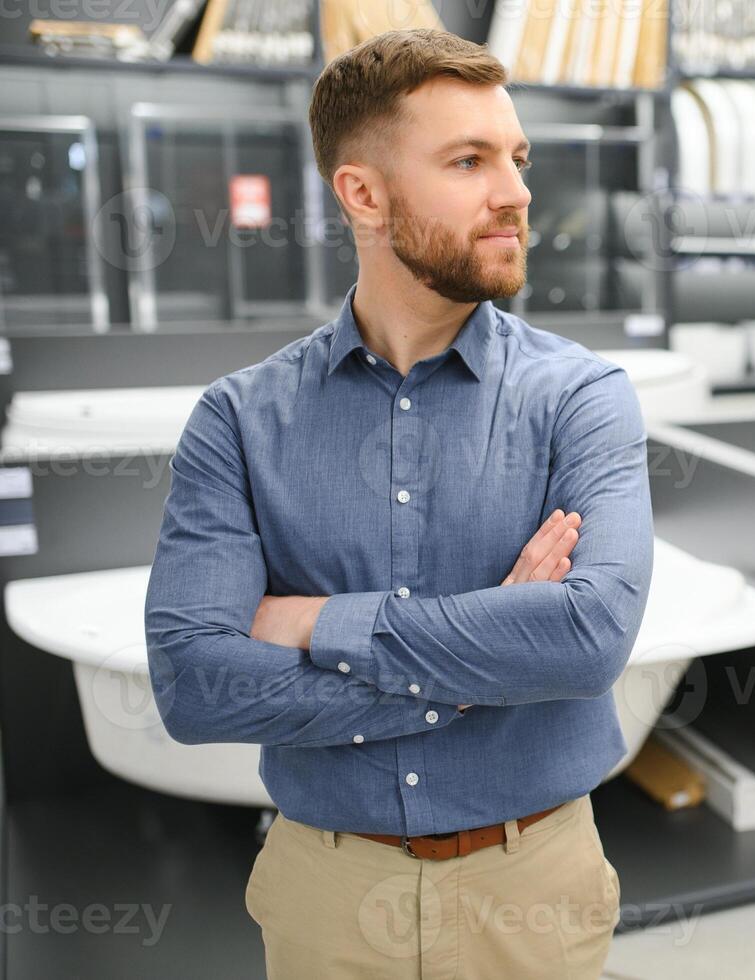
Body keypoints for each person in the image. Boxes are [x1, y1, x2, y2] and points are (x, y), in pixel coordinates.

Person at [142, 27, 654, 979]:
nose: (516, 192)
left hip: (532, 885)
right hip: (327, 893)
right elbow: (193, 686)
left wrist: (315, 623)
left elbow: (589, 640)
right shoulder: (240, 420)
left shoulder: (581, 397)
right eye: (469, 161)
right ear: (363, 193)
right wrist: (487, 661)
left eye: (516, 158)